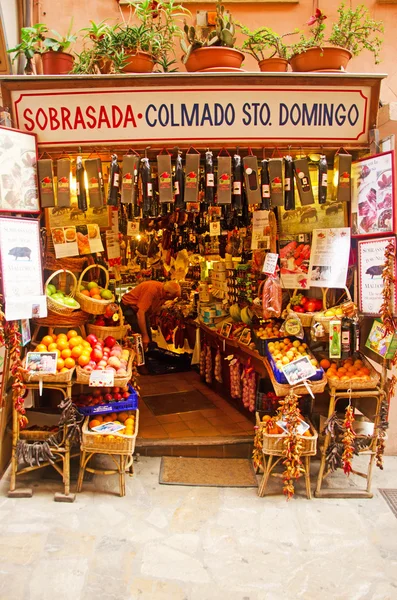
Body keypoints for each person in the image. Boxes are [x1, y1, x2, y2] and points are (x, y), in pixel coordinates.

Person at [121, 280, 181, 350]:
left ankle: (147, 352)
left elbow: (153, 309)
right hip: (129, 307)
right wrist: (144, 335)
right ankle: (141, 353)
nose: (172, 299)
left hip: (139, 310)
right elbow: (140, 313)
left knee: (148, 336)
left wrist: (164, 307)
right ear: (167, 293)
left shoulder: (163, 292)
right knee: (141, 335)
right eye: (172, 297)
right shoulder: (152, 290)